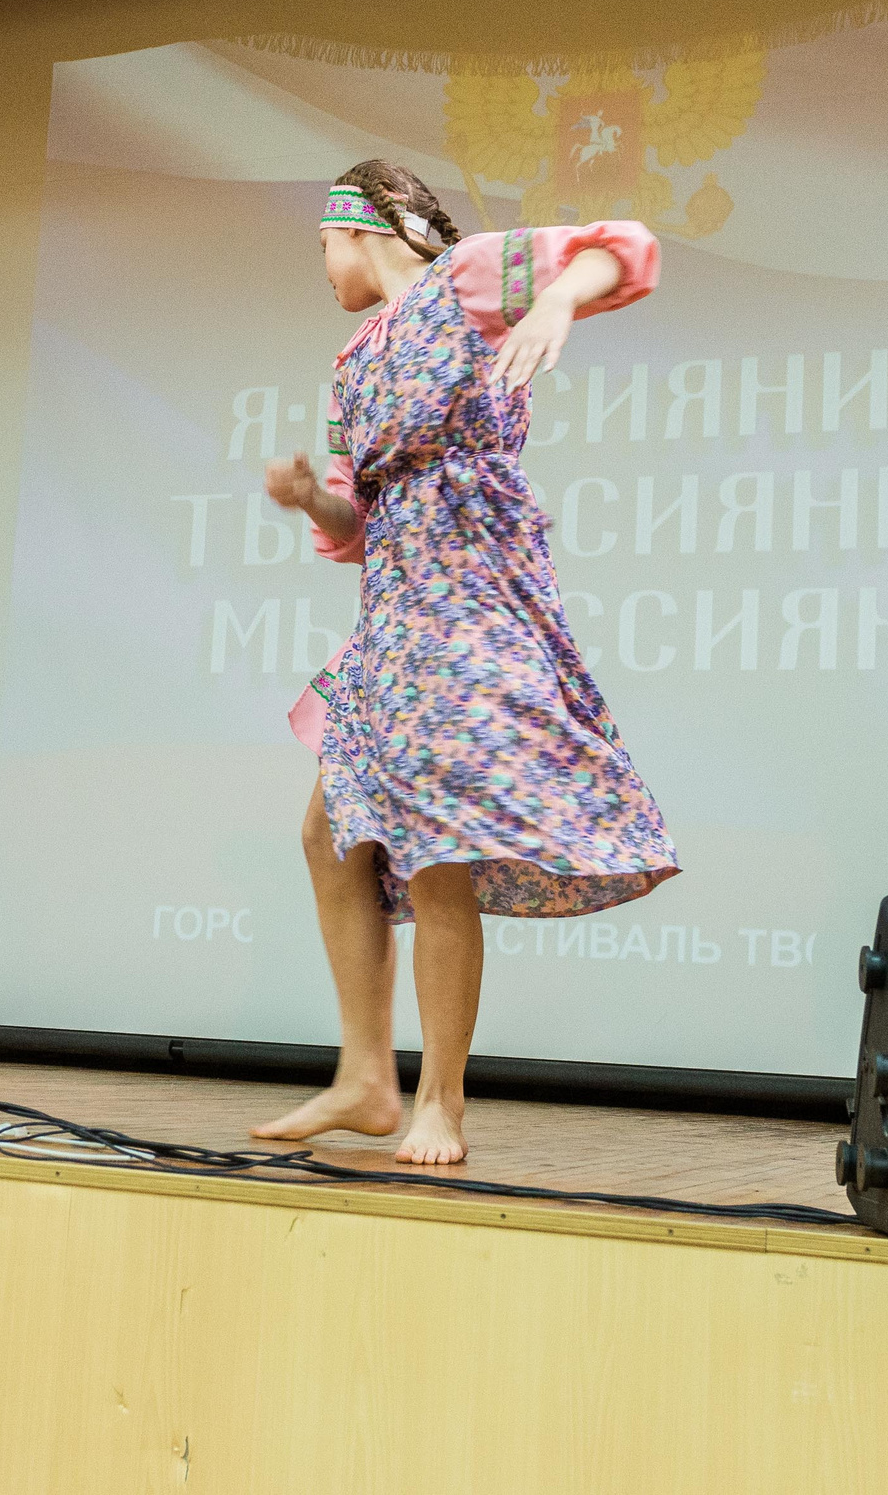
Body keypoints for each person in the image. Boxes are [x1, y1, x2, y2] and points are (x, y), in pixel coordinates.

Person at [252, 160, 680, 1165]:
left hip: (469, 596)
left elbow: (620, 246)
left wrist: (561, 303)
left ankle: (438, 1097)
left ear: (368, 226)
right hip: (396, 609)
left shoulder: (467, 277)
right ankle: (366, 1075)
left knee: (438, 847)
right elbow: (358, 522)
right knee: (331, 835)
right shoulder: (355, 357)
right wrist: (312, 497)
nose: (321, 266)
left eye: (322, 244)